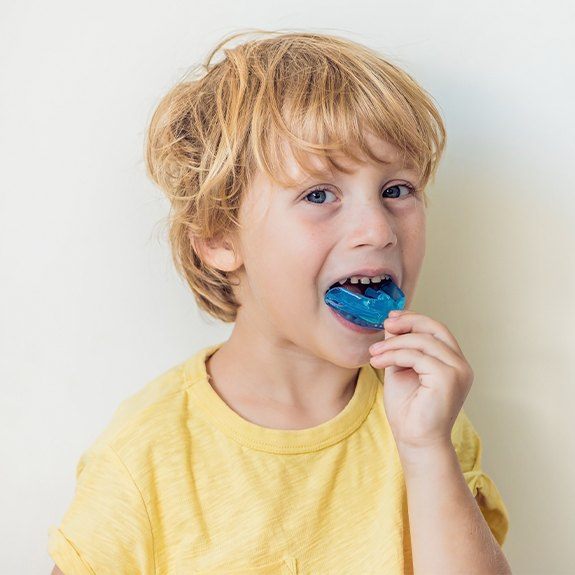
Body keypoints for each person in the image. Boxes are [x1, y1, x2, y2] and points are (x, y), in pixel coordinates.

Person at [48, 29, 511, 574]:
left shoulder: (427, 417)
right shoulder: (145, 458)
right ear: (221, 237)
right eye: (318, 195)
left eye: (396, 190)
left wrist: (428, 450)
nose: (377, 229)